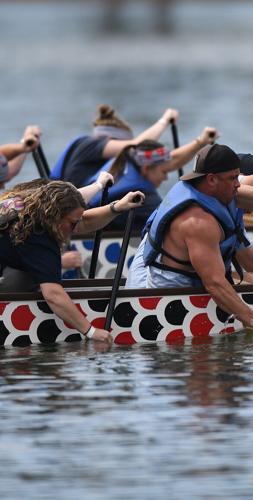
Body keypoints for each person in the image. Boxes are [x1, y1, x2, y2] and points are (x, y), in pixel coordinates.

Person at [126, 144, 253, 329]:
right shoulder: (198, 222)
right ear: (212, 179)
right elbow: (214, 283)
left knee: (251, 279)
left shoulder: (219, 194)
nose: (239, 184)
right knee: (247, 285)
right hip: (165, 303)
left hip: (189, 282)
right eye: (233, 178)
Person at [0, 181, 145, 343]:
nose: (76, 228)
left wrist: (116, 208)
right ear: (55, 215)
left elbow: (84, 221)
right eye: (72, 223)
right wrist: (90, 331)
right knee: (29, 281)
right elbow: (53, 295)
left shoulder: (30, 202)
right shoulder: (37, 234)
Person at [83, 127, 218, 230]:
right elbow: (172, 221)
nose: (166, 178)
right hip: (88, 235)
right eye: (164, 171)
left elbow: (174, 159)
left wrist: (201, 141)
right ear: (147, 168)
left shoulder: (124, 160)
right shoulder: (139, 193)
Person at [51, 104, 179, 188]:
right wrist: (165, 120)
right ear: (111, 139)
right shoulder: (89, 144)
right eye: (120, 143)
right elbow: (136, 145)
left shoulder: (93, 152)